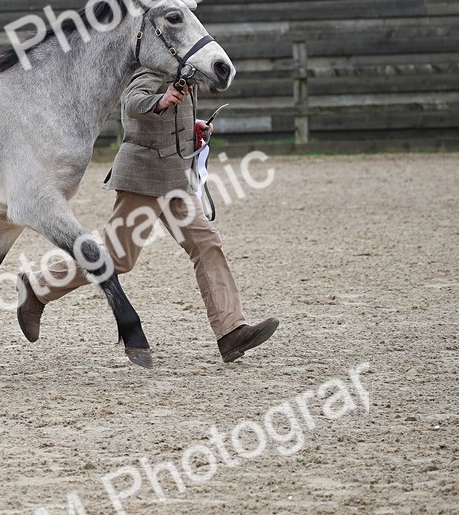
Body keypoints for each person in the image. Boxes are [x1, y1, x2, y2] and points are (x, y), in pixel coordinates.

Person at [16, 68, 279, 365]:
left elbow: (166, 121)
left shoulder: (184, 70)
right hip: (145, 177)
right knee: (118, 258)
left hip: (176, 177)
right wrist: (161, 100)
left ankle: (231, 331)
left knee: (207, 244)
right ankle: (37, 286)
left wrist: (192, 127)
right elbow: (132, 102)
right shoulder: (150, 69)